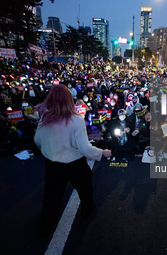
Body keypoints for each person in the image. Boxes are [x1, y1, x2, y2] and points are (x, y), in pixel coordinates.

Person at [34, 84, 111, 237]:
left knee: (51, 196)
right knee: (85, 187)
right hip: (74, 164)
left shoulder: (45, 117)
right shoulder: (76, 120)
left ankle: (45, 226)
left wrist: (50, 150)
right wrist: (102, 152)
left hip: (52, 164)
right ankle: (87, 211)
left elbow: (37, 140)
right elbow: (84, 148)